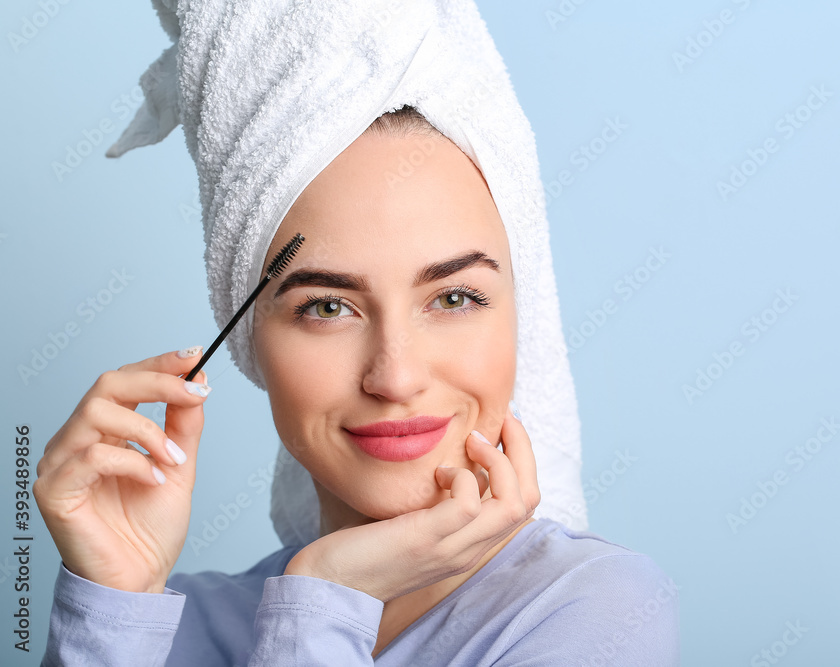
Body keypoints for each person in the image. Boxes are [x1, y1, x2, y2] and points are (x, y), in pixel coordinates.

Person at [35, 1, 679, 664]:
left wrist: (324, 596)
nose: (395, 376)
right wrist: (113, 604)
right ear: (249, 337)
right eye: (327, 307)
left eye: (454, 296)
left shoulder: (595, 610)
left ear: (522, 313)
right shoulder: (166, 625)